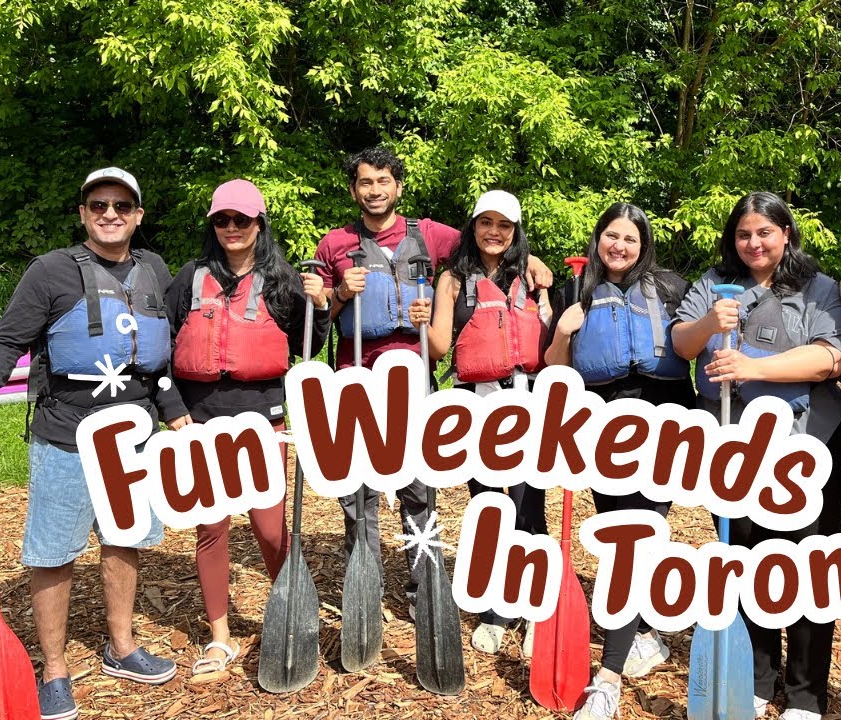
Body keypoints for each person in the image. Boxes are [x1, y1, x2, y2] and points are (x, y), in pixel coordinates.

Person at [0, 168, 185, 720]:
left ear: (138, 215)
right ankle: (55, 669)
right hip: (67, 432)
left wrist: (175, 415)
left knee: (124, 538)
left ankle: (121, 647)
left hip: (136, 433)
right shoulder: (51, 271)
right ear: (83, 212)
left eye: (122, 205)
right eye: (98, 204)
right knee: (53, 552)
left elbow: (163, 356)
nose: (110, 214)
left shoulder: (153, 269)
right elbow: (8, 338)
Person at [313, 148, 552, 622]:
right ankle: (365, 581)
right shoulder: (334, 244)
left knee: (417, 484)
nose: (375, 190)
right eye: (365, 182)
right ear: (353, 189)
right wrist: (339, 293)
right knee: (359, 485)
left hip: (414, 377)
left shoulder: (430, 235)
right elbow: (318, 317)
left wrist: (534, 259)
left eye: (383, 181)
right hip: (356, 375)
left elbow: (487, 244)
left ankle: (423, 584)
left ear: (398, 186)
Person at [671, 191, 841, 720]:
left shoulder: (820, 289)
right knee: (748, 564)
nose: (753, 243)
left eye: (765, 232)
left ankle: (805, 695)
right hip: (733, 451)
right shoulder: (711, 284)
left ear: (786, 234)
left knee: (806, 569)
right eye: (744, 234)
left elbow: (831, 359)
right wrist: (710, 322)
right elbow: (682, 343)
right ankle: (756, 676)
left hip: (806, 450)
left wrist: (751, 367)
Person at [164, 179, 330, 676]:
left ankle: (291, 617)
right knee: (211, 528)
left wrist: (319, 304)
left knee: (270, 528)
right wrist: (171, 406)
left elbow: (310, 345)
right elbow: (162, 349)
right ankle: (220, 637)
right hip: (201, 419)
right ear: (213, 225)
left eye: (242, 220)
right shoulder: (189, 278)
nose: (232, 229)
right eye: (222, 220)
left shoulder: (281, 279)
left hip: (263, 420)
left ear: (260, 224)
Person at [542, 203, 695, 720]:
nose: (620, 247)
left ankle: (607, 677)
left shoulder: (672, 288)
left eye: (629, 239)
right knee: (617, 534)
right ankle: (648, 631)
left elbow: (696, 342)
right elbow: (555, 368)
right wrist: (564, 330)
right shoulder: (574, 291)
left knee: (636, 535)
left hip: (664, 424)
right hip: (602, 425)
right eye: (612, 236)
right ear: (599, 237)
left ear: (643, 243)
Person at [410, 189, 552, 655]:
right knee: (489, 507)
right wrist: (421, 321)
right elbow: (437, 347)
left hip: (529, 403)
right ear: (473, 227)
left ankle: (535, 606)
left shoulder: (533, 277)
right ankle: (495, 608)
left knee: (530, 509)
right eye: (486, 223)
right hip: (476, 404)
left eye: (504, 226)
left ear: (515, 232)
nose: (495, 232)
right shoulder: (452, 279)